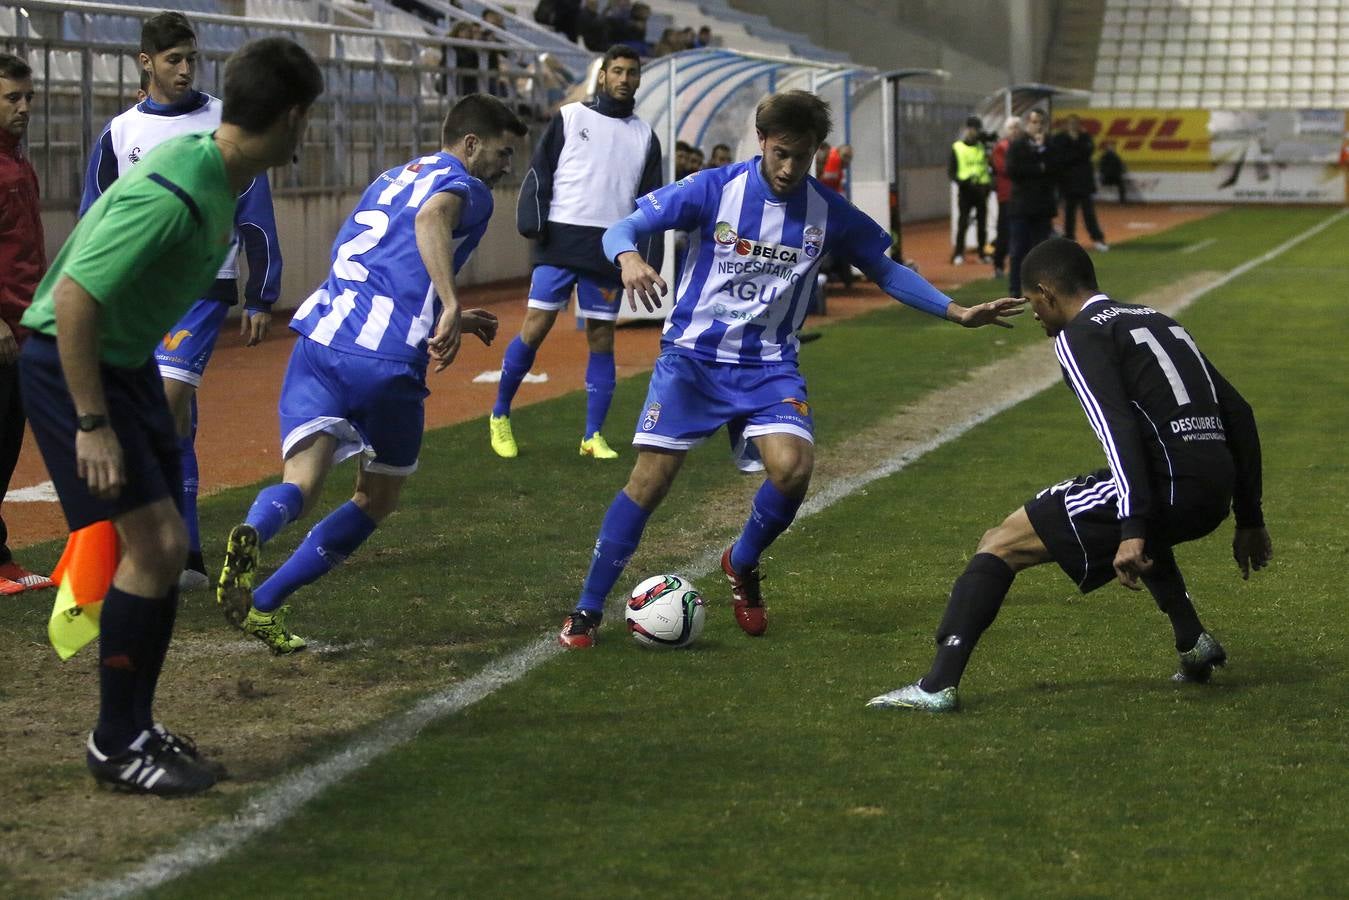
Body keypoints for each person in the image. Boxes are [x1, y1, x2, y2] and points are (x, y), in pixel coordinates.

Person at [556, 91, 1024, 648]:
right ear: (761, 142)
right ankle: (587, 608)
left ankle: (741, 562)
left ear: (815, 152)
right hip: (694, 360)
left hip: (770, 364)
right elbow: (621, 230)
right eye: (779, 153)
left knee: (794, 468)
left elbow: (885, 269)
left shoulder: (828, 211)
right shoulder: (713, 187)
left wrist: (956, 311)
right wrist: (630, 258)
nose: (788, 167)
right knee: (651, 480)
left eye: (800, 156)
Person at [19, 37, 322, 795]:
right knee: (154, 546)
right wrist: (92, 422)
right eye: (307, 118)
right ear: (291, 118)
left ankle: (131, 729)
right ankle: (116, 741)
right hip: (74, 363)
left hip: (117, 363)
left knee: (159, 545)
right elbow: (74, 298)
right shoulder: (182, 186)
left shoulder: (212, 168)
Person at [867, 238, 1271, 712]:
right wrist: (1248, 516)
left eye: (1034, 302)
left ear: (1047, 292)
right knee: (1125, 500)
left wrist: (1133, 527)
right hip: (1213, 487)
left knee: (1001, 541)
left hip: (1170, 482)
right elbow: (1239, 413)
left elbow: (1116, 429)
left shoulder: (1077, 336)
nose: (1036, 315)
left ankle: (936, 687)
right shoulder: (1155, 319)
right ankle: (1192, 641)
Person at [217, 94, 523, 653]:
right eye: (503, 153)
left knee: (300, 484)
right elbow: (432, 220)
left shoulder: (390, 176)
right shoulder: (469, 188)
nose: (508, 166)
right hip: (383, 362)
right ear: (471, 143)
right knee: (376, 499)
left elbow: (390, 257)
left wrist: (444, 307)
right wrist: (450, 305)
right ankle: (264, 604)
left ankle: (254, 532)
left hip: (319, 341)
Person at [82, 12, 284, 593]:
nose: (185, 69)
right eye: (173, 59)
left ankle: (143, 544)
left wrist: (262, 294)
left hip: (201, 287)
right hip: (138, 294)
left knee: (164, 403)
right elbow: (94, 217)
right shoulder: (121, 134)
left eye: (191, 58)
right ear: (145, 62)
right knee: (176, 422)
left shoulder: (223, 121)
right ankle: (186, 552)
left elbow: (255, 211)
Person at [489, 46, 662, 461]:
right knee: (537, 325)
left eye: (631, 72)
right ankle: (499, 415)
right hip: (559, 241)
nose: (623, 78)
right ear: (602, 77)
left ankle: (592, 436)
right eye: (616, 70)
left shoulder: (645, 136)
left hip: (609, 248)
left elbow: (651, 202)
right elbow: (539, 172)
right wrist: (533, 220)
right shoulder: (570, 117)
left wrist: (645, 254)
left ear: (638, 80)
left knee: (602, 338)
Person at [0, 53, 54, 596]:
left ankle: (0, 558)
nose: (23, 107)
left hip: (23, 329)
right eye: (12, 97)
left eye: (28, 98)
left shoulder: (17, 161)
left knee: (7, 444)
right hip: (2, 329)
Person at [1005, 107, 1058, 298]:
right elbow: (1012, 170)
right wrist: (1039, 167)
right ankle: (1015, 290)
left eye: (1042, 123)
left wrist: (1042, 154)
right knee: (1018, 250)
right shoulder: (1018, 145)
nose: (1038, 126)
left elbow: (1056, 169)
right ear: (1028, 123)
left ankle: (1041, 289)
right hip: (1021, 206)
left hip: (1042, 206)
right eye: (1035, 122)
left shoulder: (1051, 145)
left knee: (1042, 250)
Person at [1052, 113, 1108, 251]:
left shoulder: (1085, 137)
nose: (1073, 125)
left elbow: (1087, 151)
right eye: (1070, 123)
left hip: (1084, 183)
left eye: (1075, 123)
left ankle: (1097, 239)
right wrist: (1076, 154)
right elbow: (1062, 157)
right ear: (1066, 125)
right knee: (1069, 214)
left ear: (1079, 124)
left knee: (1089, 213)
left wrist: (1073, 154)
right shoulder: (1060, 139)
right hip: (1068, 182)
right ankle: (1069, 240)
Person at [949, 116, 992, 267]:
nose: (975, 132)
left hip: (981, 190)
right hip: (966, 190)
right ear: (967, 129)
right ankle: (958, 253)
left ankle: (983, 252)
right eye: (973, 129)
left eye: (977, 129)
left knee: (982, 224)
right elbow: (952, 172)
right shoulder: (957, 147)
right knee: (963, 223)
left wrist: (987, 185)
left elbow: (987, 167)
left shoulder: (982, 147)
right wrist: (963, 182)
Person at [989, 115, 1020, 278]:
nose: (1015, 131)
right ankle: (998, 264)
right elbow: (1004, 168)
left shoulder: (1022, 145)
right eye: (1012, 128)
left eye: (1017, 127)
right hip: (1007, 195)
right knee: (1004, 230)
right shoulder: (1001, 147)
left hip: (1021, 195)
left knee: (1020, 232)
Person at [1098, 140, 1127, 205]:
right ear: (1107, 148)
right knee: (1099, 184)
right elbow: (1101, 167)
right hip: (1107, 176)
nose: (1111, 148)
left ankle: (1122, 202)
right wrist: (1103, 174)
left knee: (1121, 185)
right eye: (1109, 147)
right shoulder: (1104, 156)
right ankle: (1100, 202)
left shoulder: (1116, 156)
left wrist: (1121, 171)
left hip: (1115, 176)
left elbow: (1121, 165)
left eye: (1112, 147)